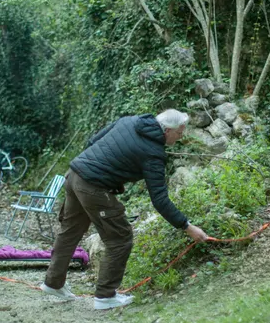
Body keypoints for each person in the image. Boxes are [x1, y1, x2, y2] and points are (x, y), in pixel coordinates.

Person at [40, 109, 210, 310]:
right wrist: (187, 226)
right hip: (92, 186)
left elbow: (93, 141)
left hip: (74, 174)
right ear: (167, 130)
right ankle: (105, 297)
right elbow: (159, 200)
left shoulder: (130, 121)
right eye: (180, 132)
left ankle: (53, 283)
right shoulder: (154, 153)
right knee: (120, 238)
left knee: (70, 231)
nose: (181, 136)